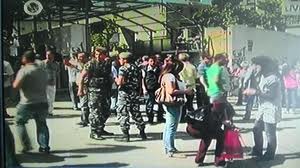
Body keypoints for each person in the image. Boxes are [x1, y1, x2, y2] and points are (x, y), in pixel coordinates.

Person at [244, 56, 282, 161]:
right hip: (263, 107)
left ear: (263, 66)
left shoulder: (273, 78)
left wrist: (255, 92)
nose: (254, 67)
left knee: (270, 132)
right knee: (256, 128)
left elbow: (272, 96)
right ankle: (258, 149)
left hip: (271, 108)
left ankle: (270, 154)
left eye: (256, 65)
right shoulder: (263, 76)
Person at [13, 50, 50, 153]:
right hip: (42, 101)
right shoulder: (42, 71)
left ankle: (26, 145)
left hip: (27, 102)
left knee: (19, 122)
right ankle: (44, 146)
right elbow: (47, 82)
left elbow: (16, 85)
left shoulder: (24, 70)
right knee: (42, 124)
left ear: (25, 59)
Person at [195, 54, 228, 167]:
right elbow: (216, 80)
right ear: (220, 59)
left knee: (209, 131)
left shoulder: (210, 68)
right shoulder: (217, 68)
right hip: (218, 98)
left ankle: (199, 158)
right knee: (220, 132)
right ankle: (218, 160)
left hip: (211, 96)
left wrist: (207, 88)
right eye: (224, 58)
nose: (226, 60)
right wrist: (223, 89)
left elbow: (205, 79)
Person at [78, 47, 114, 140]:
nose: (98, 57)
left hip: (105, 90)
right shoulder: (91, 64)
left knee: (106, 111)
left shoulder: (107, 64)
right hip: (94, 90)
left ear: (105, 55)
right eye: (96, 54)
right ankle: (93, 131)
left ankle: (100, 128)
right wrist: (80, 89)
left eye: (100, 55)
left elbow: (110, 76)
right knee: (95, 112)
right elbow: (82, 76)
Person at [159, 56, 192, 157]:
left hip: (171, 103)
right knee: (172, 127)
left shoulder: (168, 75)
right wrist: (186, 91)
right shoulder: (170, 76)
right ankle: (169, 149)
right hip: (173, 103)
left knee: (169, 126)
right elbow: (171, 91)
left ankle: (169, 146)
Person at [115, 52, 147, 142]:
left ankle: (126, 135)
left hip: (124, 94)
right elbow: (140, 81)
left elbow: (120, 82)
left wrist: (115, 79)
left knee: (123, 113)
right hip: (134, 93)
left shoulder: (123, 68)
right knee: (136, 112)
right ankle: (142, 132)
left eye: (120, 59)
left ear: (125, 60)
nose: (119, 61)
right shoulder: (137, 68)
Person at [142, 55, 163, 124]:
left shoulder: (159, 69)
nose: (153, 63)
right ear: (148, 61)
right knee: (149, 105)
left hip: (157, 89)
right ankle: (150, 119)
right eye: (151, 61)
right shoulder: (145, 69)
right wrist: (144, 89)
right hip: (149, 89)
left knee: (160, 104)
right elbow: (142, 80)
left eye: (154, 61)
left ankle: (160, 118)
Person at [178, 53, 197, 122]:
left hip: (182, 87)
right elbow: (195, 76)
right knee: (190, 103)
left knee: (182, 103)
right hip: (191, 86)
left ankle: (182, 117)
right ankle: (192, 117)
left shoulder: (179, 66)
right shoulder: (192, 66)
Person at [41, 49, 59, 116]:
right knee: (46, 99)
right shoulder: (42, 63)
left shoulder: (56, 64)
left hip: (52, 83)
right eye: (47, 55)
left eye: (49, 55)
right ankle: (47, 111)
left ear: (53, 56)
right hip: (44, 84)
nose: (48, 56)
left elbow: (57, 73)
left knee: (51, 99)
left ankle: (50, 111)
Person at [75, 52, 90, 127]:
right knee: (82, 104)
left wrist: (80, 89)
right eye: (79, 57)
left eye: (82, 57)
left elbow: (84, 78)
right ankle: (83, 119)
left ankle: (85, 120)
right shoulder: (79, 65)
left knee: (84, 104)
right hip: (80, 86)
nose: (80, 58)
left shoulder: (87, 65)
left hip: (85, 86)